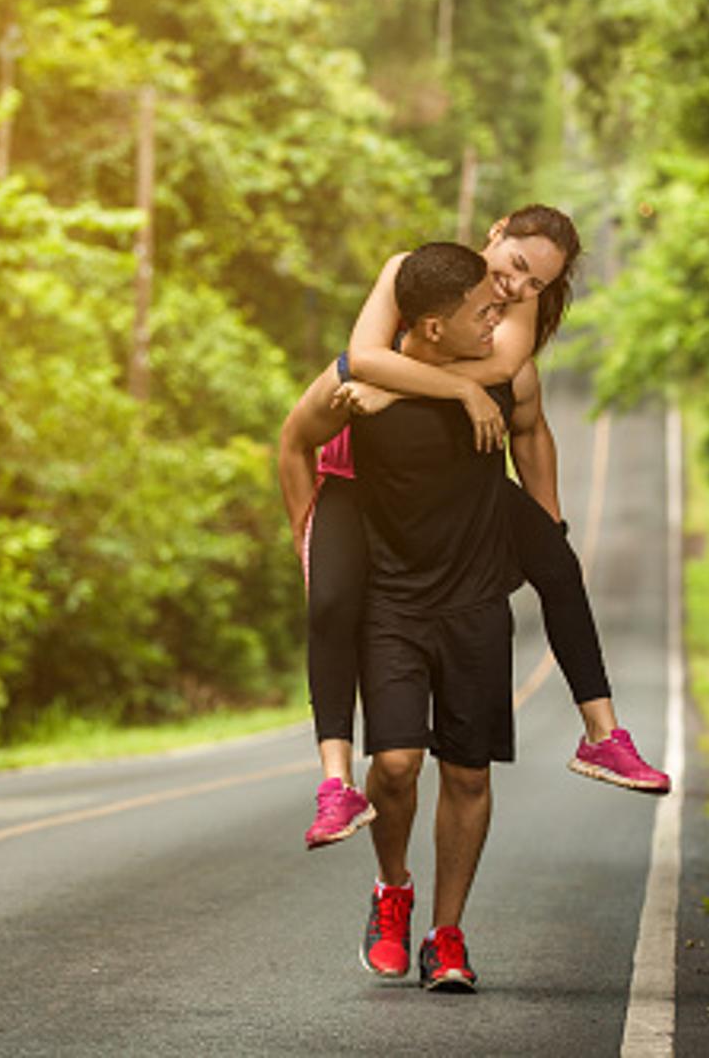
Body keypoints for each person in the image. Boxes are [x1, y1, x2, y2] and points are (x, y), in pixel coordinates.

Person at [277, 204, 668, 852]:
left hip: (453, 486)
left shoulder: (512, 306)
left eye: (537, 285)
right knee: (334, 601)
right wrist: (305, 526)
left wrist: (544, 520)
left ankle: (603, 737)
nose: (517, 290)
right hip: (354, 479)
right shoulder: (411, 274)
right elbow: (363, 359)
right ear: (495, 233)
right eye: (515, 266)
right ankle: (336, 784)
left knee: (559, 564)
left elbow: (499, 379)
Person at [347, 242, 533, 989]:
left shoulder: (501, 381)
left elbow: (527, 409)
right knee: (394, 765)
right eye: (482, 314)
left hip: (475, 601)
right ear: (428, 327)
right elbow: (302, 433)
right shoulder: (364, 395)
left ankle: (446, 935)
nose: (500, 321)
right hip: (391, 599)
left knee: (468, 771)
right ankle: (393, 887)